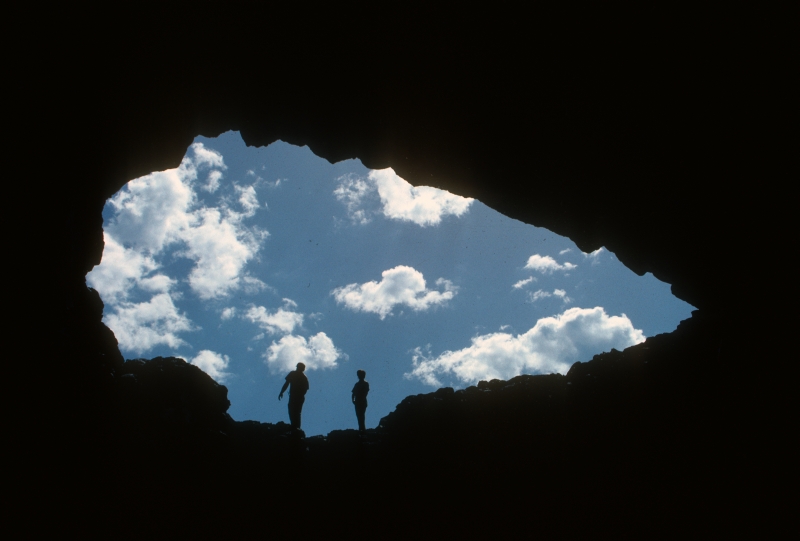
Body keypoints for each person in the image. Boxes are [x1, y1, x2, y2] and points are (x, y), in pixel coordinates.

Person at [279, 362, 309, 430]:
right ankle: (295, 427)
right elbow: (287, 384)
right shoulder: (295, 374)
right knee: (293, 411)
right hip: (295, 396)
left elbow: (305, 389)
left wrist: (298, 395)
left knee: (296, 412)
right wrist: (281, 392)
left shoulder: (303, 377)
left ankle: (296, 428)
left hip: (297, 397)